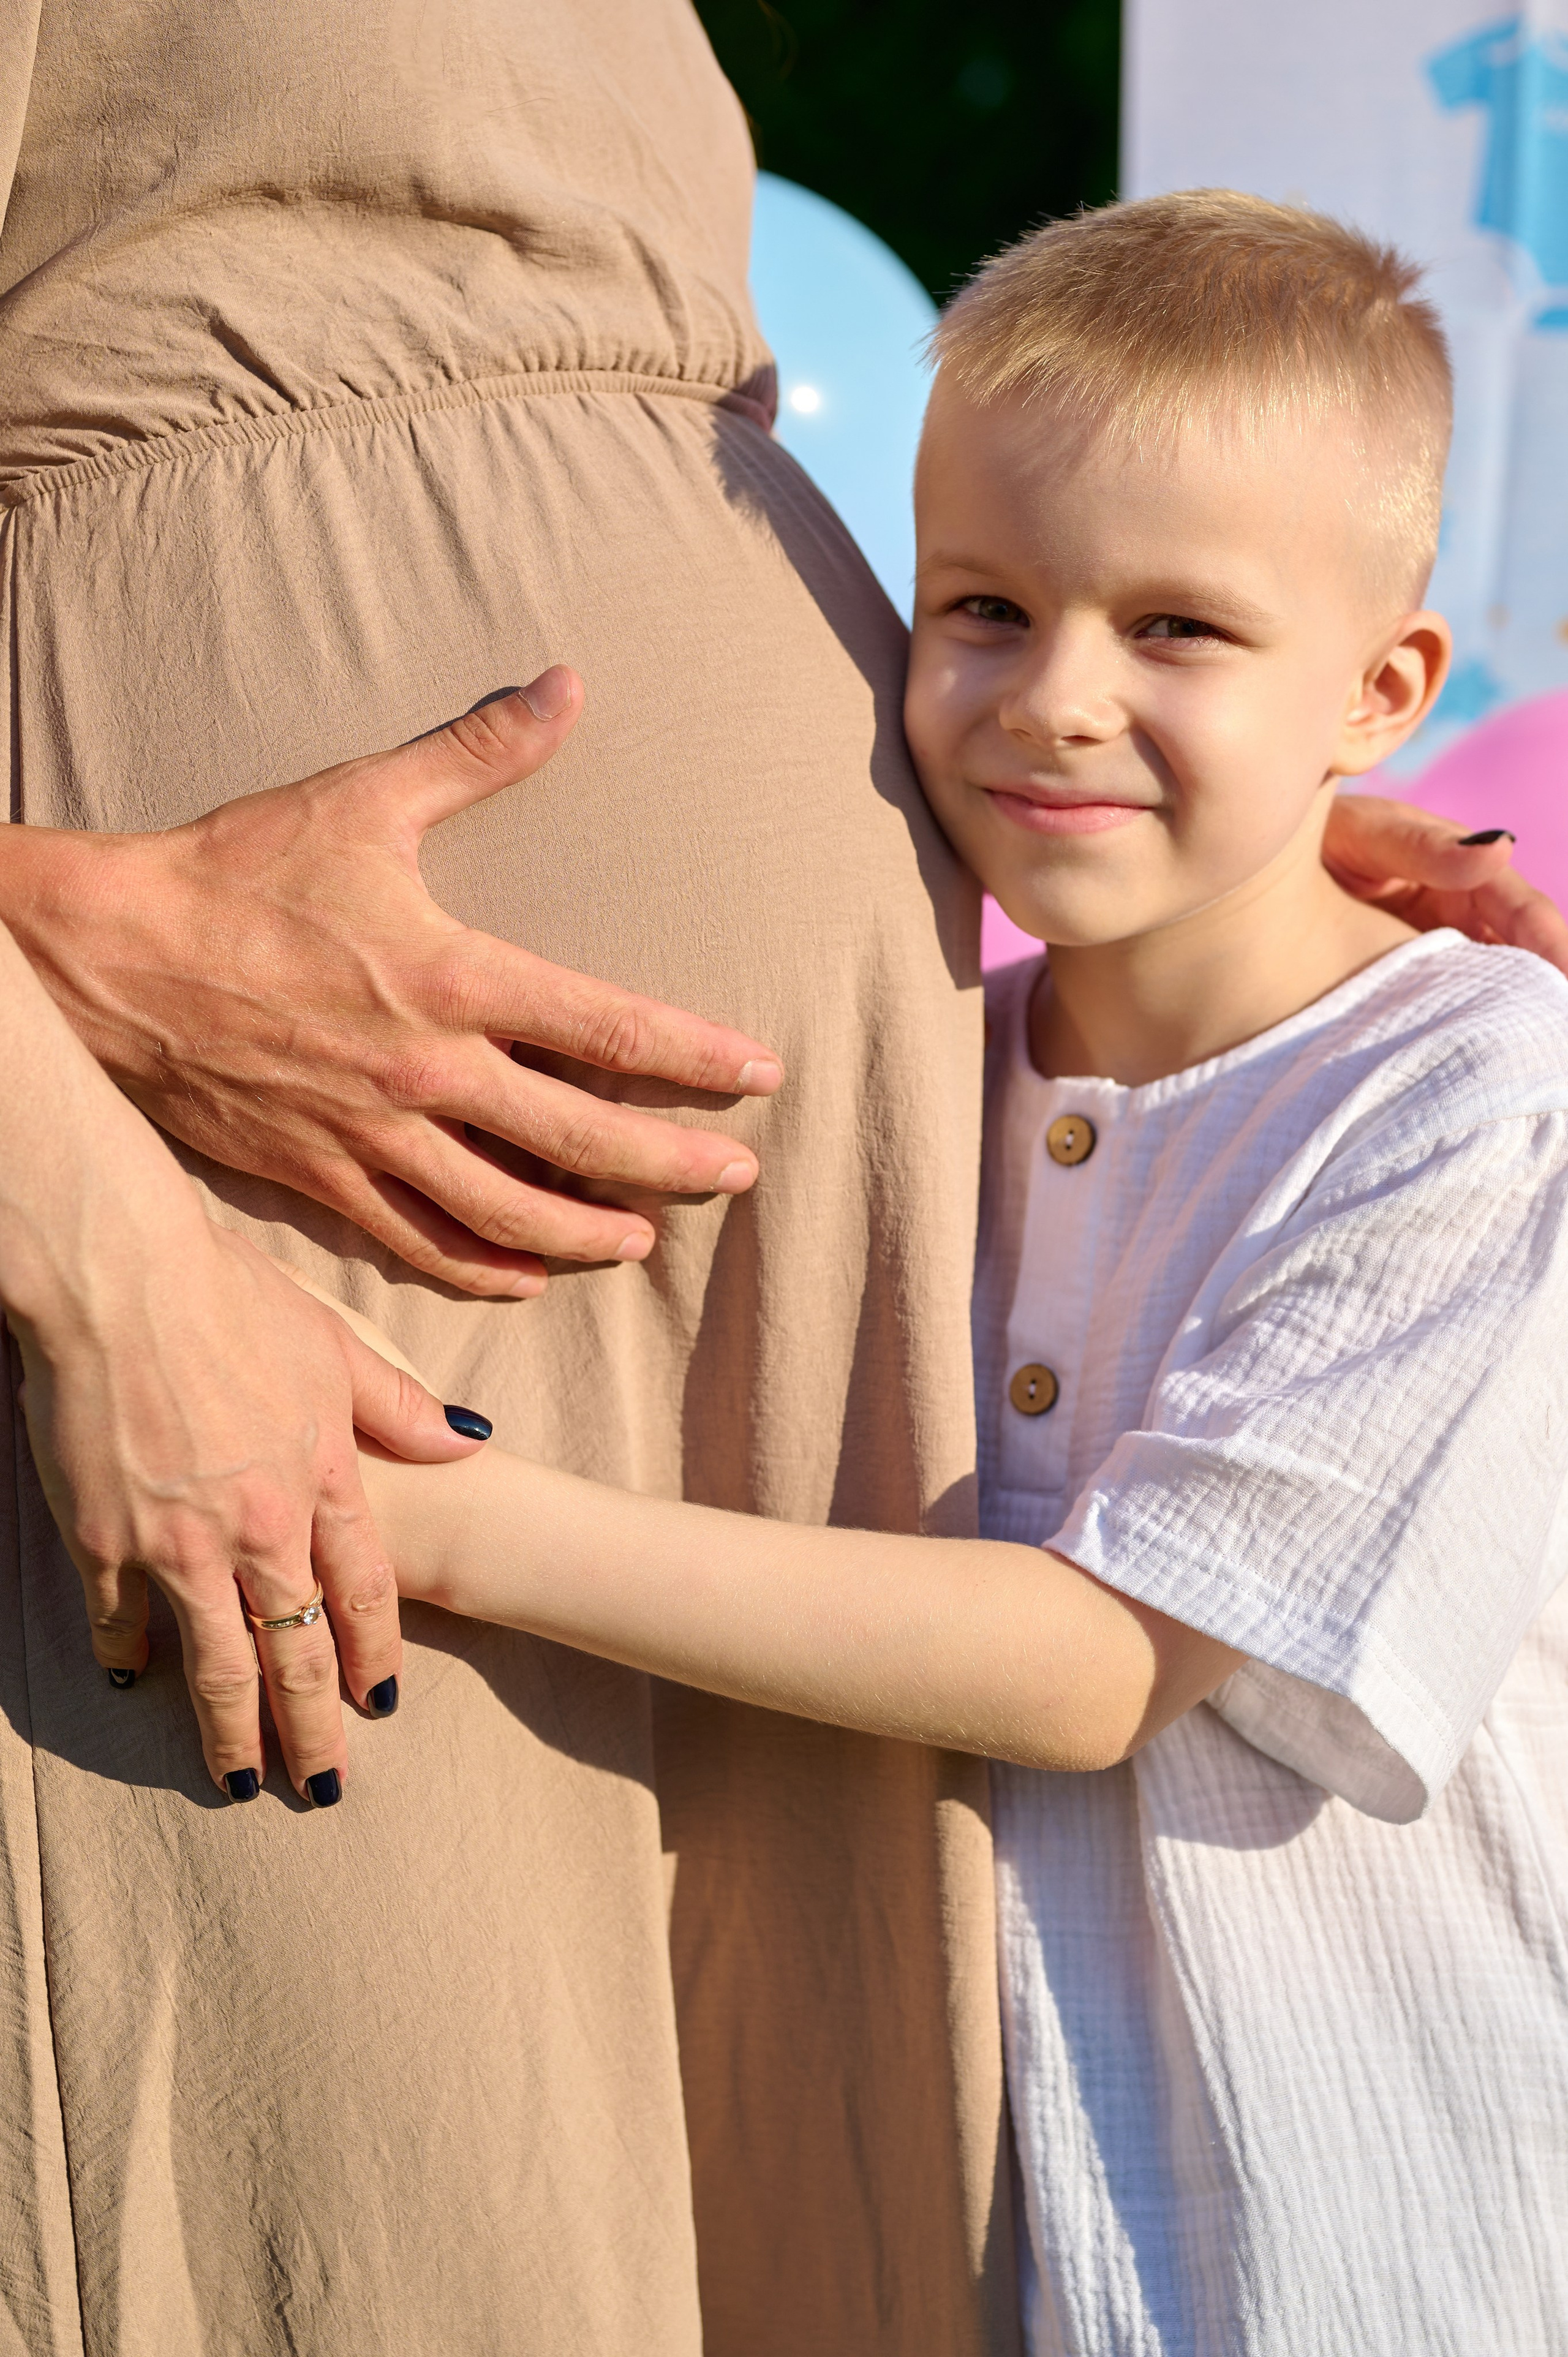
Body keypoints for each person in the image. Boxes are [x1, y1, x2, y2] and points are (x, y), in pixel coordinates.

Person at [0, 6, 1556, 2340]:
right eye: (980, 608)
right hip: (1047, 2223)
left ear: (1382, 691)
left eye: (1176, 631)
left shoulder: (1473, 1097)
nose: (1052, 697)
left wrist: (422, 1511)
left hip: (1346, 2244)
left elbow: (1103, 1667)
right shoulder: (1011, 1056)